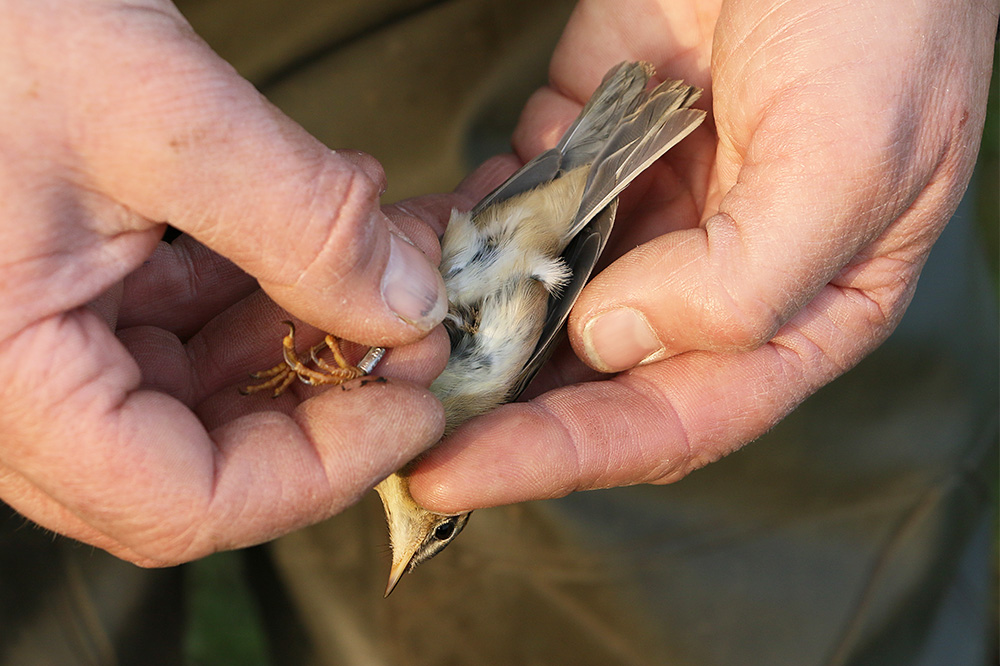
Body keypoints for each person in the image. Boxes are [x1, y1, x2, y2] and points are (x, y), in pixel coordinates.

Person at [0, 0, 996, 664]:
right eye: (433, 533)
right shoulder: (465, 410)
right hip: (519, 247)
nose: (412, 531)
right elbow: (524, 292)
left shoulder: (415, 426)